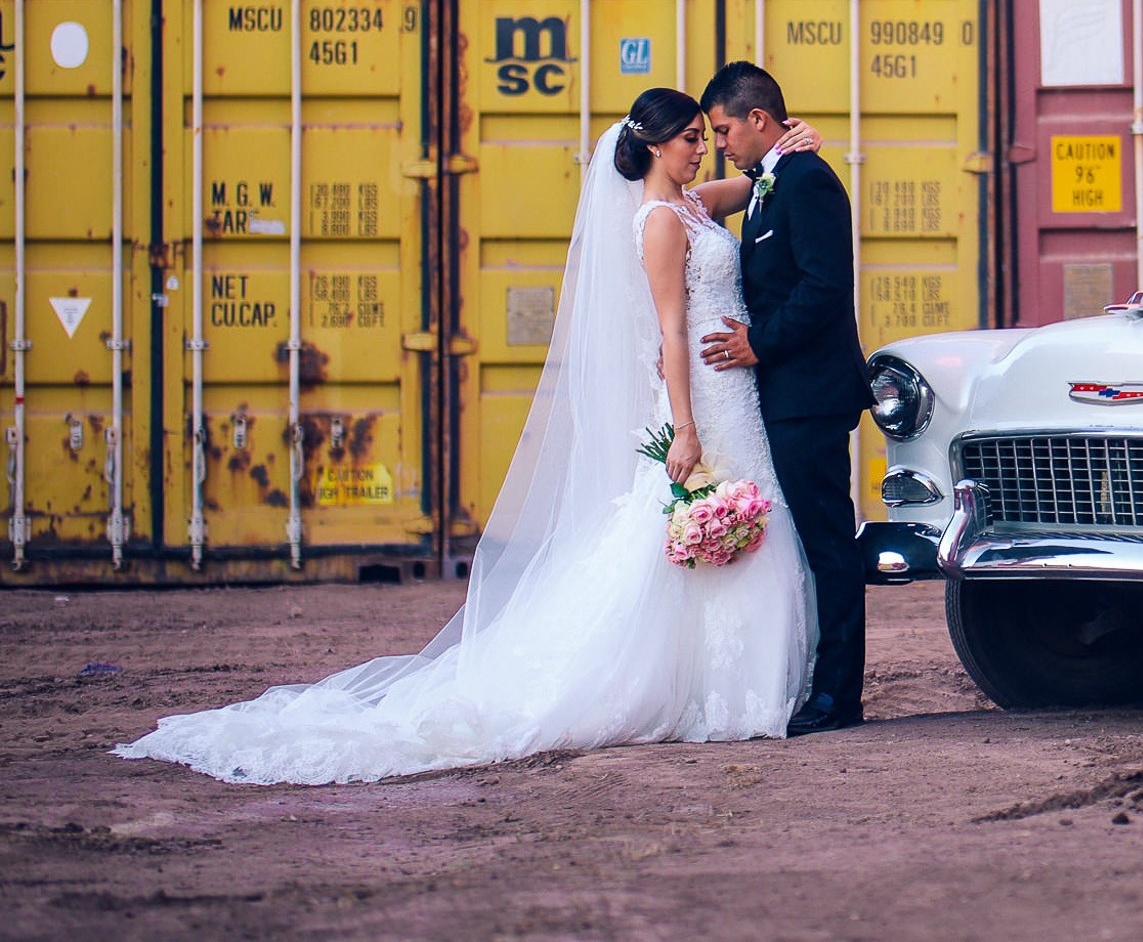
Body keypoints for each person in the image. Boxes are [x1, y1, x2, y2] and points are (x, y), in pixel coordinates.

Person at [116, 91, 824, 785]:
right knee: (684, 535)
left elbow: (749, 180)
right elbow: (670, 329)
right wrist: (687, 428)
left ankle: (727, 683)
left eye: (707, 137)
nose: (703, 149)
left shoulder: (692, 204)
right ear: (655, 147)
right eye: (692, 139)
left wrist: (784, 150)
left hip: (732, 391)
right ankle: (710, 688)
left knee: (722, 529)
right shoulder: (663, 221)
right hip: (702, 395)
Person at [696, 61, 869, 736]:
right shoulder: (774, 178)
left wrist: (757, 343)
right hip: (784, 393)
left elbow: (824, 289)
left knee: (829, 545)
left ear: (757, 119)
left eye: (724, 129)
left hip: (811, 395)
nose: (720, 142)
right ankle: (816, 684)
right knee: (806, 544)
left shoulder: (809, 181)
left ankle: (839, 697)